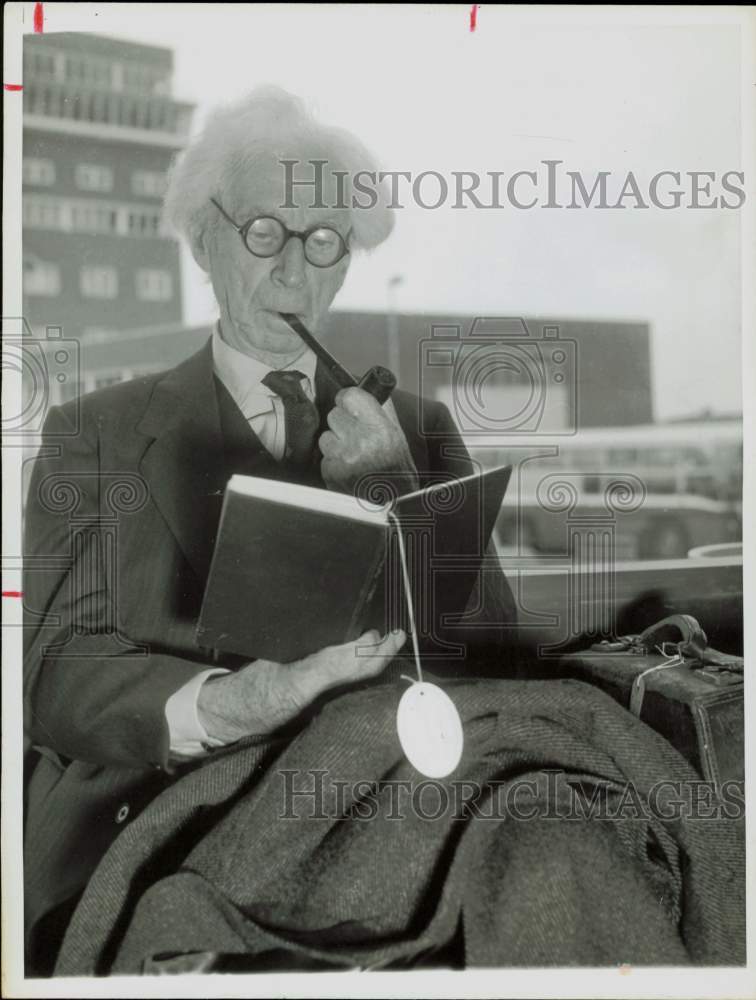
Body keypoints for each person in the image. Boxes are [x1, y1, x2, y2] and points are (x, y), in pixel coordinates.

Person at [22, 87, 517, 972]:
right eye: (264, 233)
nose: (293, 270)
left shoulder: (418, 428)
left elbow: (498, 664)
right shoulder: (91, 435)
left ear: (347, 260)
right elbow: (53, 673)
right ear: (204, 239)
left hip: (375, 811)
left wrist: (395, 492)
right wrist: (236, 702)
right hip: (160, 817)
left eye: (323, 240)